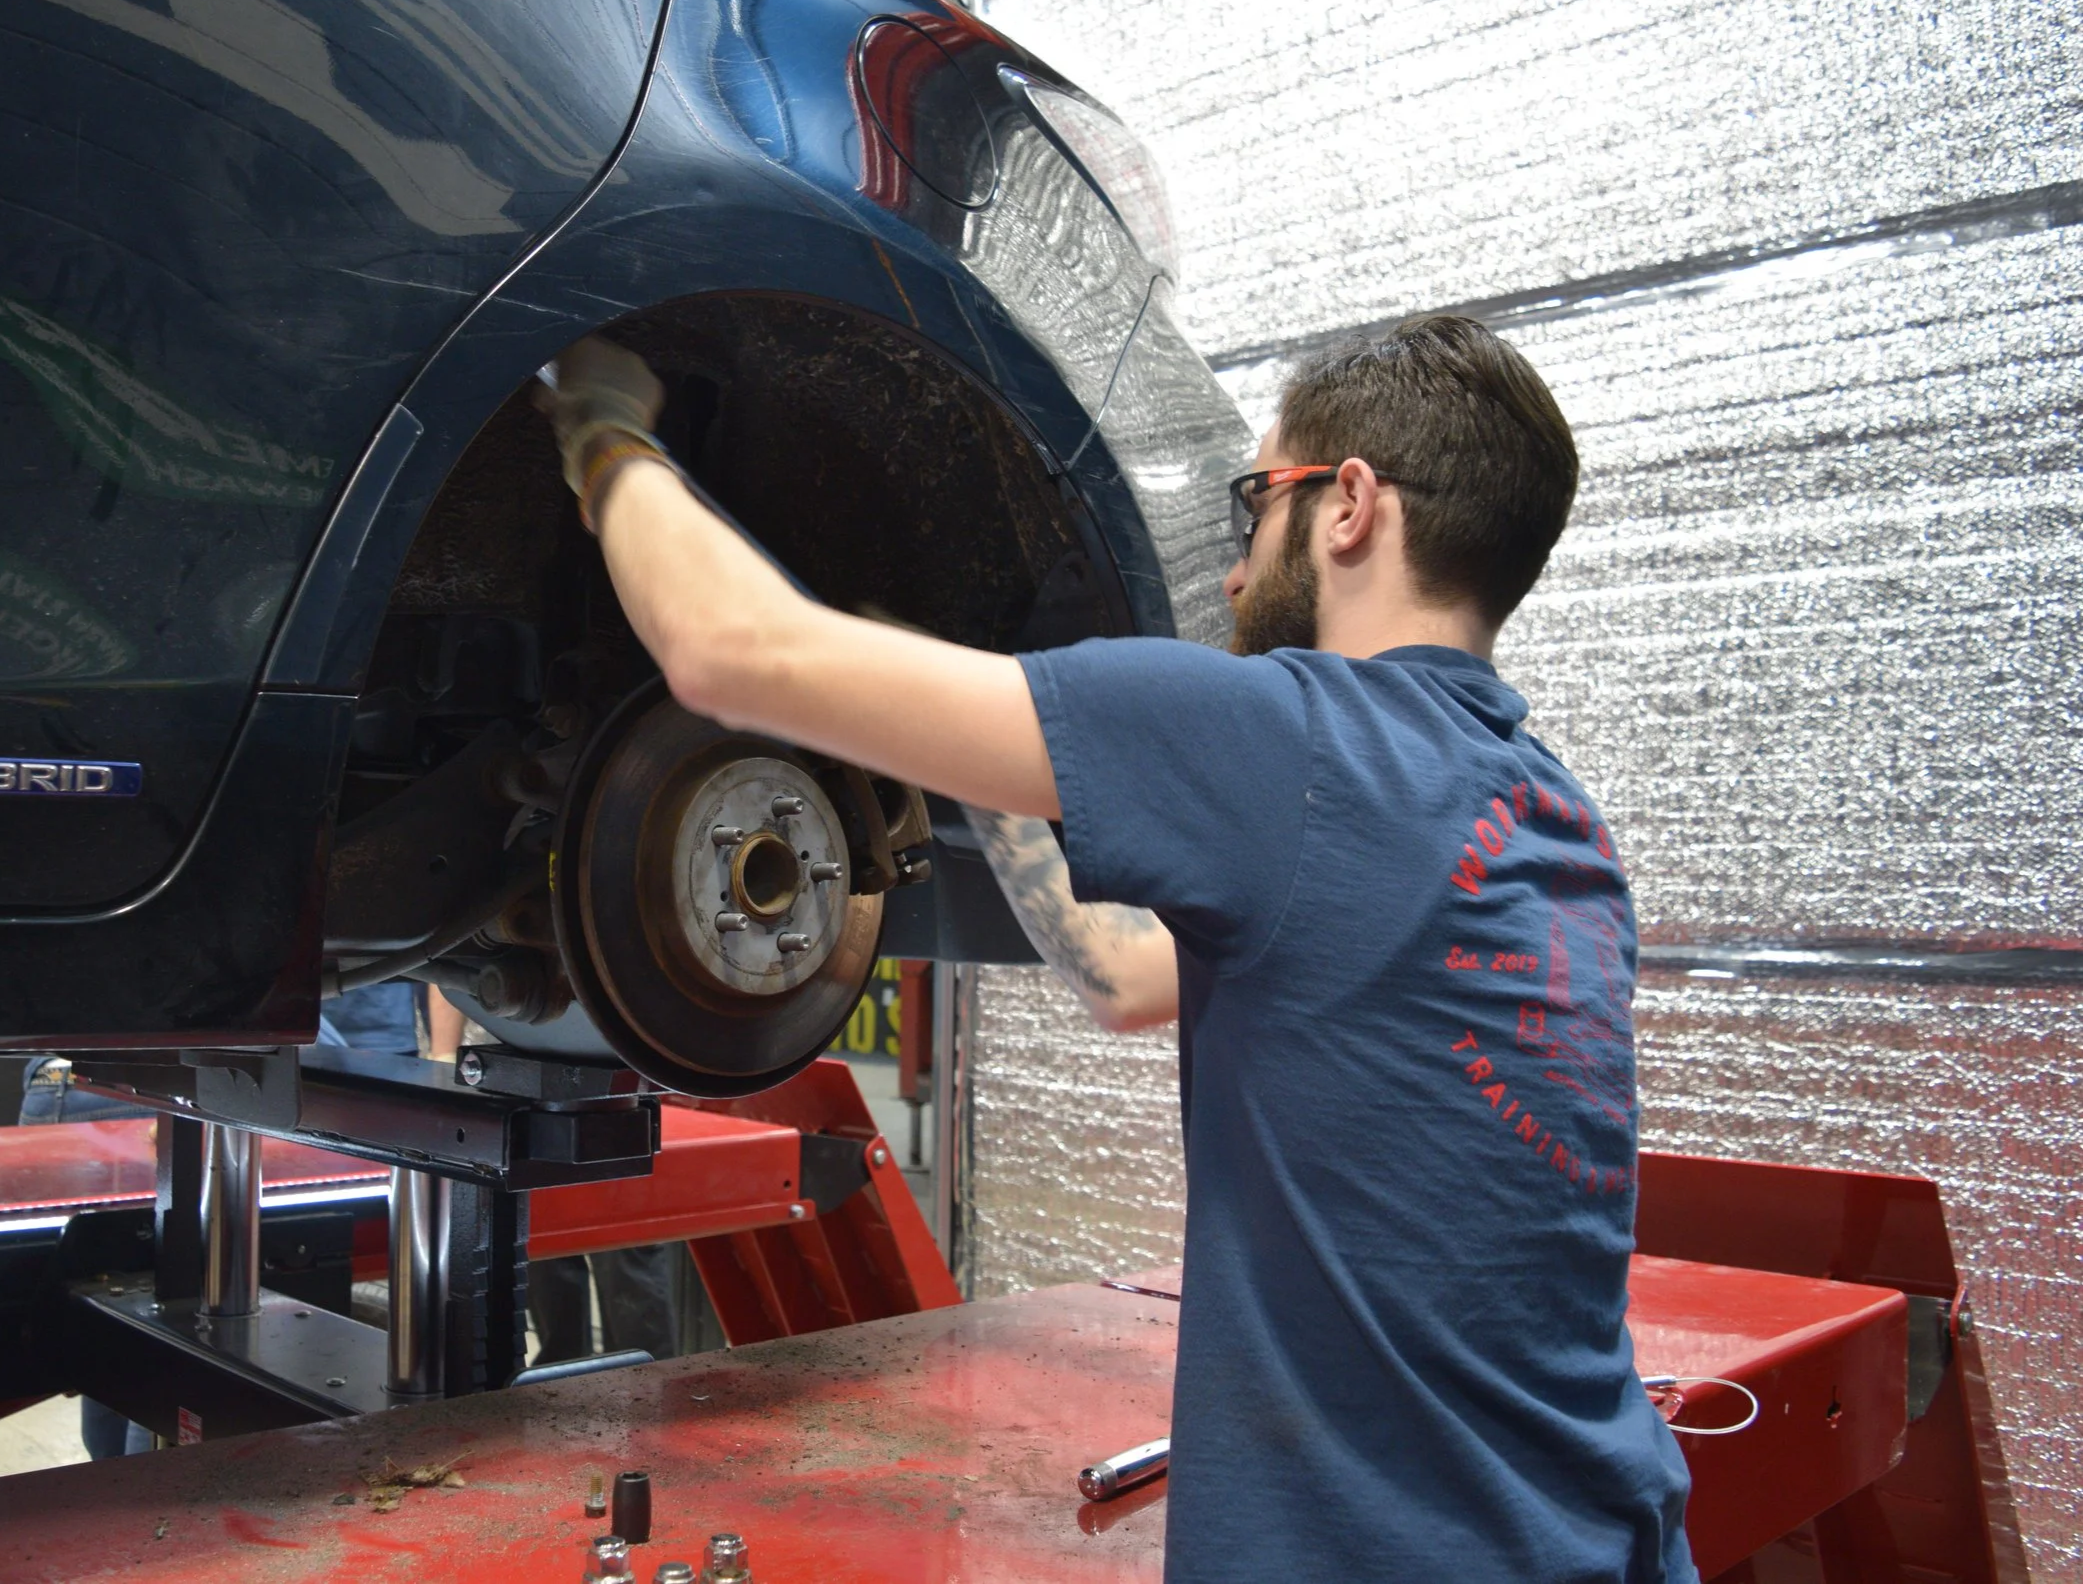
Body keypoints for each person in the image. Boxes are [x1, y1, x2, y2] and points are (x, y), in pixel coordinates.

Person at [536, 314, 1695, 1582]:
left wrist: (602, 429)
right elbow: (1129, 978)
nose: (1237, 563)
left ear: (1350, 506)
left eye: (1260, 497)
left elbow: (729, 649)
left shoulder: (1292, 740)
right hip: (1600, 1531)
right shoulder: (1548, 810)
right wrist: (948, 723)